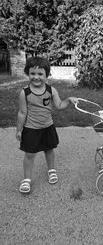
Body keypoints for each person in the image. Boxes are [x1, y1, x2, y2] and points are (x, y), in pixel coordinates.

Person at [16, 56, 79, 194]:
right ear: (28, 73)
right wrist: (19, 130)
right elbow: (22, 112)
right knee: (29, 154)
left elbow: (59, 105)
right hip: (31, 128)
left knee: (49, 150)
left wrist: (68, 100)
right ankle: (27, 179)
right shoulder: (24, 92)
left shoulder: (51, 90)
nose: (36, 77)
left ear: (47, 75)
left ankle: (51, 170)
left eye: (40, 74)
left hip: (48, 127)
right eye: (32, 73)